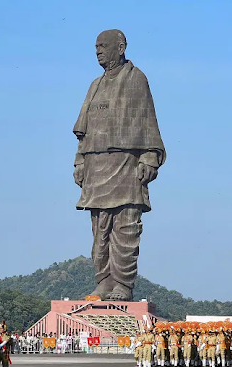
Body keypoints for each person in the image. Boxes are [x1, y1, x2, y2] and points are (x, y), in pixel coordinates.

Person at [72, 29, 166, 301]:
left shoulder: (137, 79)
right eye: (96, 46)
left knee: (125, 227)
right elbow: (83, 133)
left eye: (103, 46)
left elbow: (148, 121)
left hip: (126, 164)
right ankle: (103, 281)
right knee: (99, 230)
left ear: (121, 47)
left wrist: (149, 156)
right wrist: (80, 161)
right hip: (96, 164)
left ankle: (123, 284)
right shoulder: (95, 85)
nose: (98, 50)